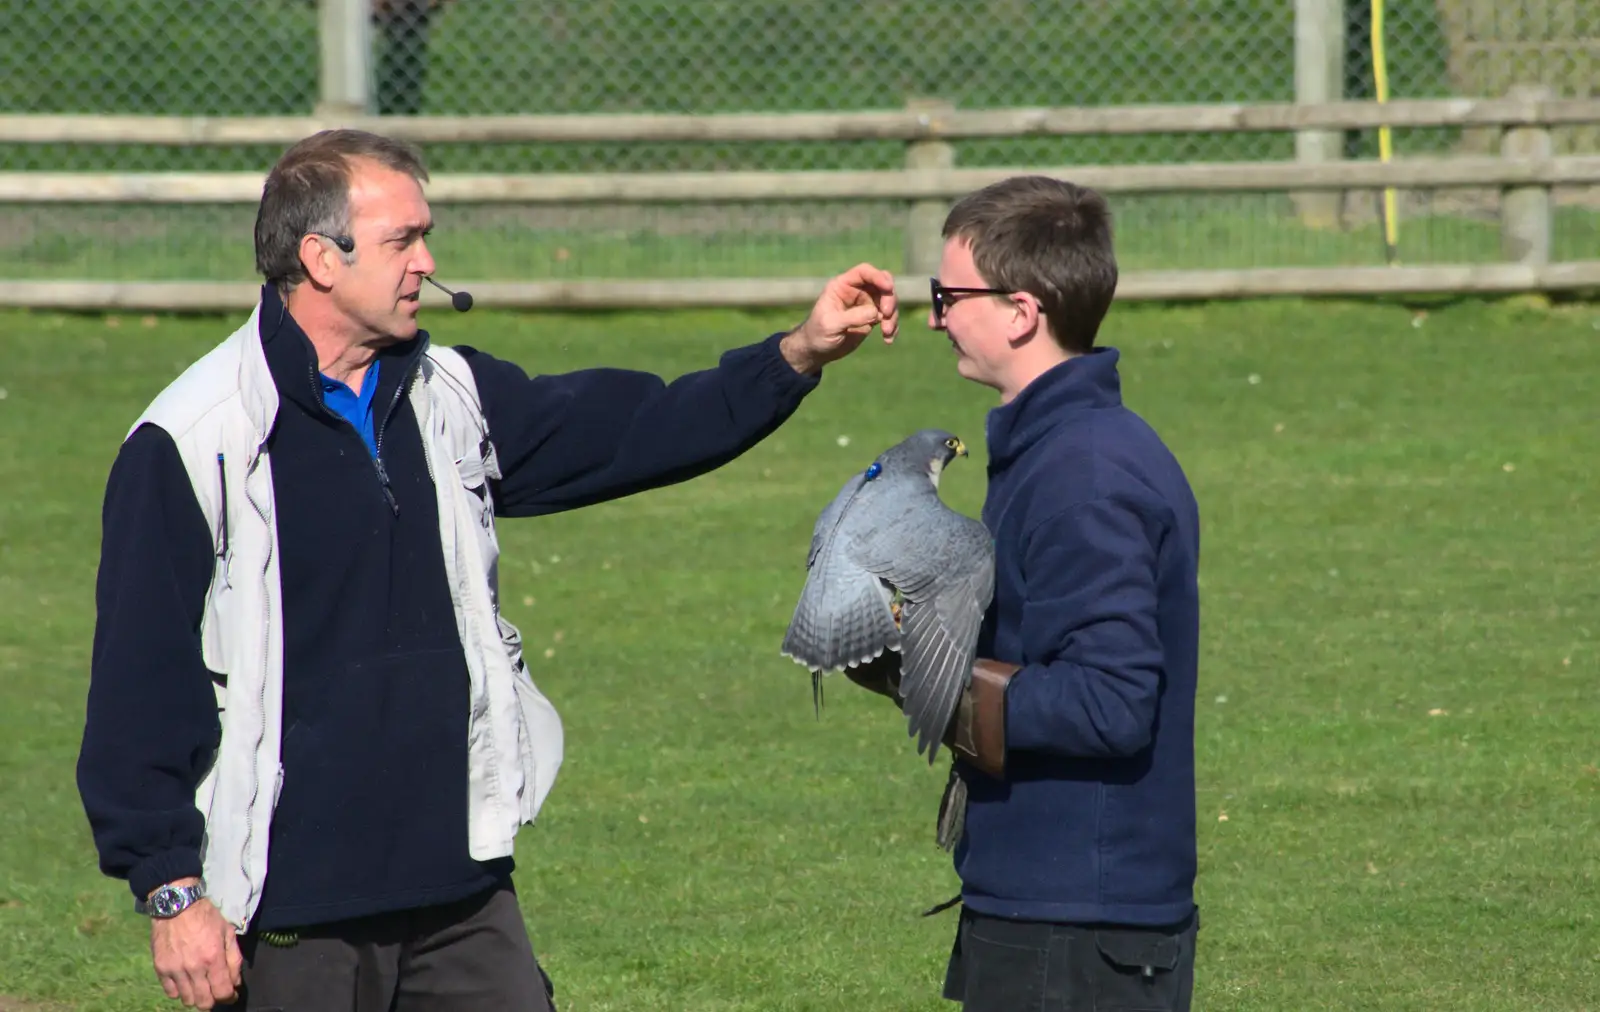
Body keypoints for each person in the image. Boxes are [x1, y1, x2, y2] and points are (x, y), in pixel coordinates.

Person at [74, 127, 898, 1012]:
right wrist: (172, 890)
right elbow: (139, 685)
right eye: (403, 240)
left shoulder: (450, 395)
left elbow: (632, 430)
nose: (427, 262)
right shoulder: (193, 441)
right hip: (287, 907)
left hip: (461, 890)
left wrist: (797, 354)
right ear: (319, 258)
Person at [844, 175, 1202, 1011]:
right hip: (1051, 906)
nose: (935, 316)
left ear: (1021, 310)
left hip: (1076, 927)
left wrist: (925, 679)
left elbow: (1112, 701)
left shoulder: (1085, 474)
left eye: (949, 294)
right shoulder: (1060, 446)